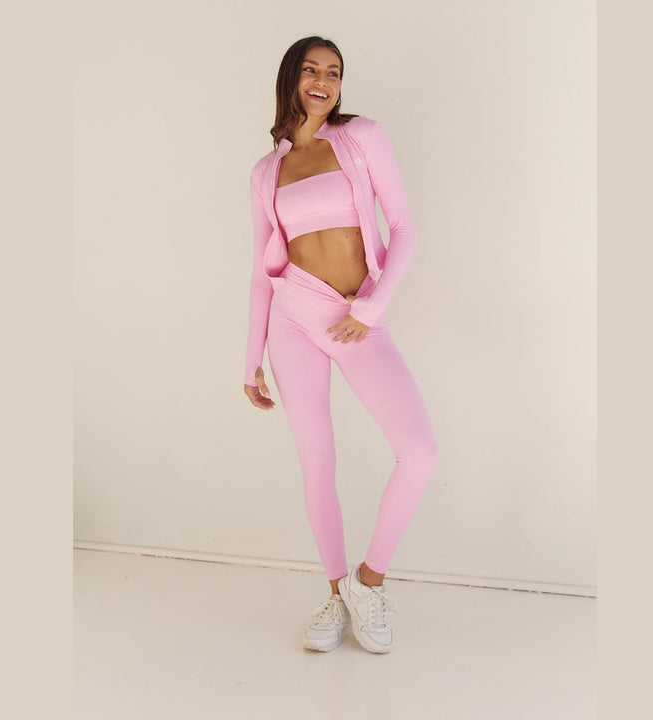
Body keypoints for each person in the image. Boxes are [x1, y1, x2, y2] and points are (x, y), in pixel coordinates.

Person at [243, 36, 438, 654]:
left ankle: (366, 585)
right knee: (317, 460)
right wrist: (250, 359)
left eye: (333, 72)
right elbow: (261, 271)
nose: (323, 81)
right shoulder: (266, 171)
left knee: (420, 450)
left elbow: (404, 228)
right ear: (291, 78)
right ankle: (334, 594)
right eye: (311, 70)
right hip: (292, 318)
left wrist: (369, 309)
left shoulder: (361, 137)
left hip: (355, 316)